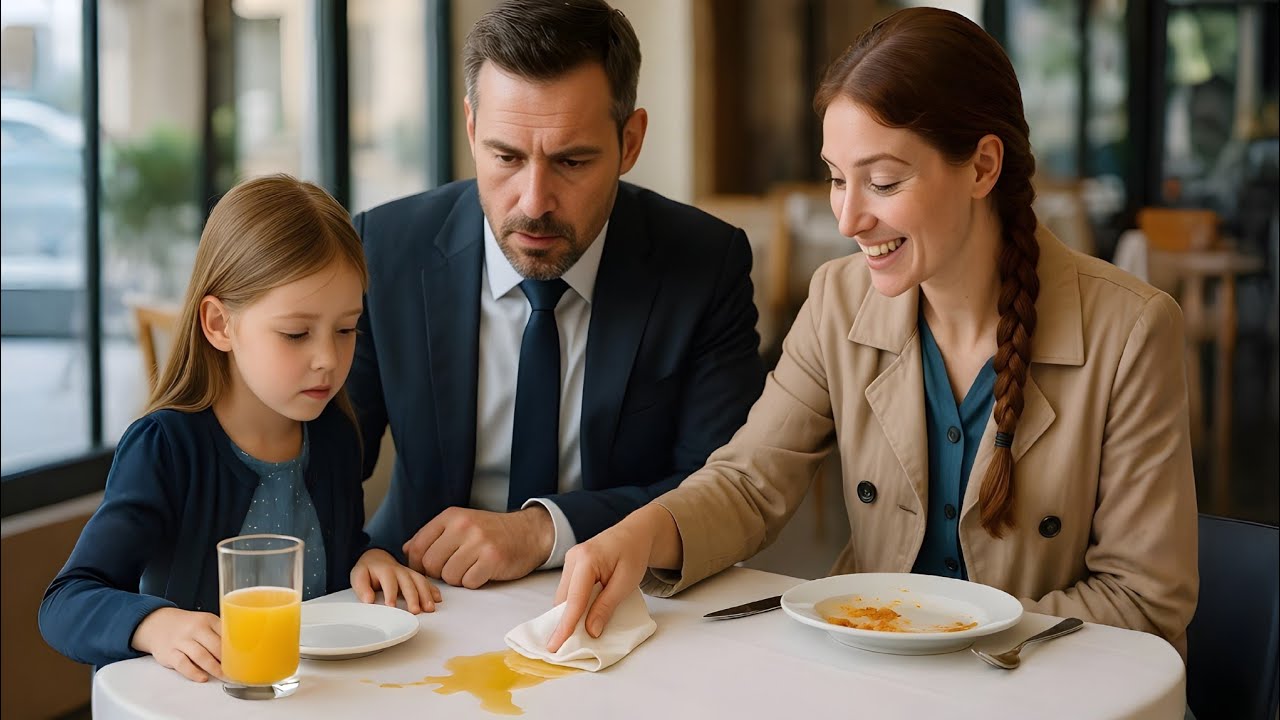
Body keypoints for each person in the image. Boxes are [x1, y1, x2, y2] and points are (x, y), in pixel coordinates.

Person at [550, 7, 1199, 659]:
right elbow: (749, 482)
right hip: (876, 677)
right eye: (837, 177)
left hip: (1041, 689)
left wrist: (944, 635)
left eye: (883, 181)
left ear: (982, 167)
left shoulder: (1129, 331)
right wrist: (637, 534)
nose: (849, 218)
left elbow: (1143, 598)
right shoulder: (839, 299)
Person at [349, 0, 765, 589]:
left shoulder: (703, 264)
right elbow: (318, 457)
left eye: (571, 160)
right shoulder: (384, 248)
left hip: (624, 599)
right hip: (418, 590)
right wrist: (352, 549)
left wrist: (543, 531)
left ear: (630, 141)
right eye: (506, 157)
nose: (534, 201)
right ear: (471, 128)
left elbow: (719, 487)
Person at [39, 175, 440, 682]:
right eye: (296, 333)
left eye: (345, 330)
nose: (328, 360)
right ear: (219, 325)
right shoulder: (166, 448)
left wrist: (370, 557)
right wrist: (156, 625)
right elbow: (66, 601)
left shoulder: (334, 433)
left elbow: (329, 555)